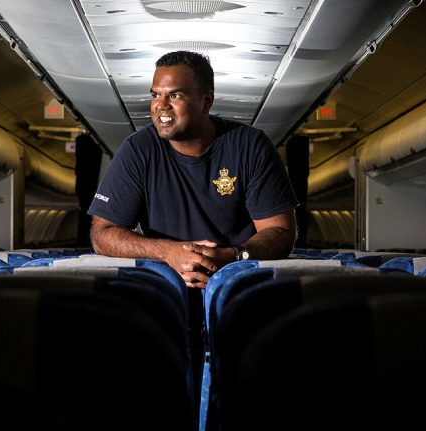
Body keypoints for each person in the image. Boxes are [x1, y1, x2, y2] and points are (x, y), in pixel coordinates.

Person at [88, 51, 298, 289]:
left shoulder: (250, 146)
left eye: (174, 95)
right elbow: (103, 234)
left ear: (206, 101)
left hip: (240, 282)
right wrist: (169, 253)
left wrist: (233, 256)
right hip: (167, 286)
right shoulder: (138, 149)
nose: (161, 106)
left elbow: (279, 231)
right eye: (156, 95)